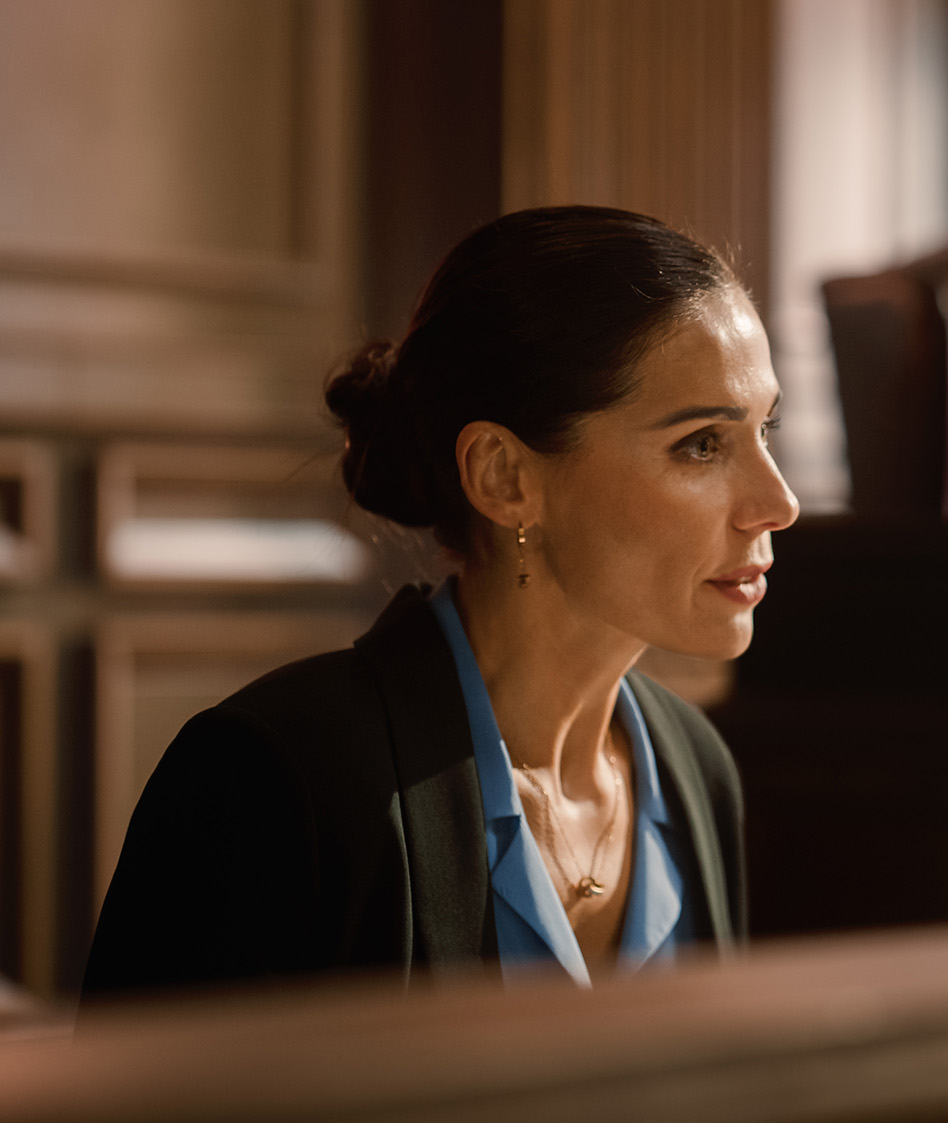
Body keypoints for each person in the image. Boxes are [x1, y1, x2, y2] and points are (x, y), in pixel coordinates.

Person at [83, 206, 800, 996]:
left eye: (767, 429)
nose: (780, 500)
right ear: (504, 476)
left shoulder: (698, 770)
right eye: (702, 443)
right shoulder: (272, 784)